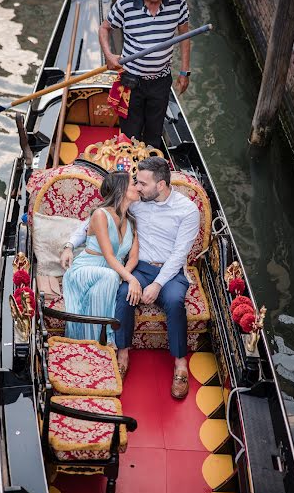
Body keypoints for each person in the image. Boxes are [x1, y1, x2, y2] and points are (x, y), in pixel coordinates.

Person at [61, 157, 200, 398]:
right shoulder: (136, 202)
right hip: (140, 268)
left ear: (161, 185)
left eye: (143, 183)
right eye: (135, 182)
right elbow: (91, 221)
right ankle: (123, 353)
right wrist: (69, 244)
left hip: (170, 271)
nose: (137, 186)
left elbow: (179, 254)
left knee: (176, 302)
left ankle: (180, 364)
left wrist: (157, 284)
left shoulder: (187, 210)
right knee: (124, 294)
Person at [98, 0, 191, 151]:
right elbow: (104, 28)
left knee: (154, 134)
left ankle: (148, 176)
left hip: (161, 81)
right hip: (132, 82)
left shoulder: (178, 1)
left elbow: (185, 36)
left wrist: (184, 72)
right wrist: (109, 55)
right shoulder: (126, 3)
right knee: (130, 134)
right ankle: (130, 175)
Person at [62, 171, 141, 348]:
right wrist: (130, 278)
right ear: (121, 189)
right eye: (133, 184)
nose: (137, 188)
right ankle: (103, 341)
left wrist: (124, 275)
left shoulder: (132, 222)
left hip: (112, 273)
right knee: (111, 277)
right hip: (86, 269)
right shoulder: (100, 214)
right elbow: (109, 255)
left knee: (111, 279)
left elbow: (134, 257)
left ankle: (96, 343)